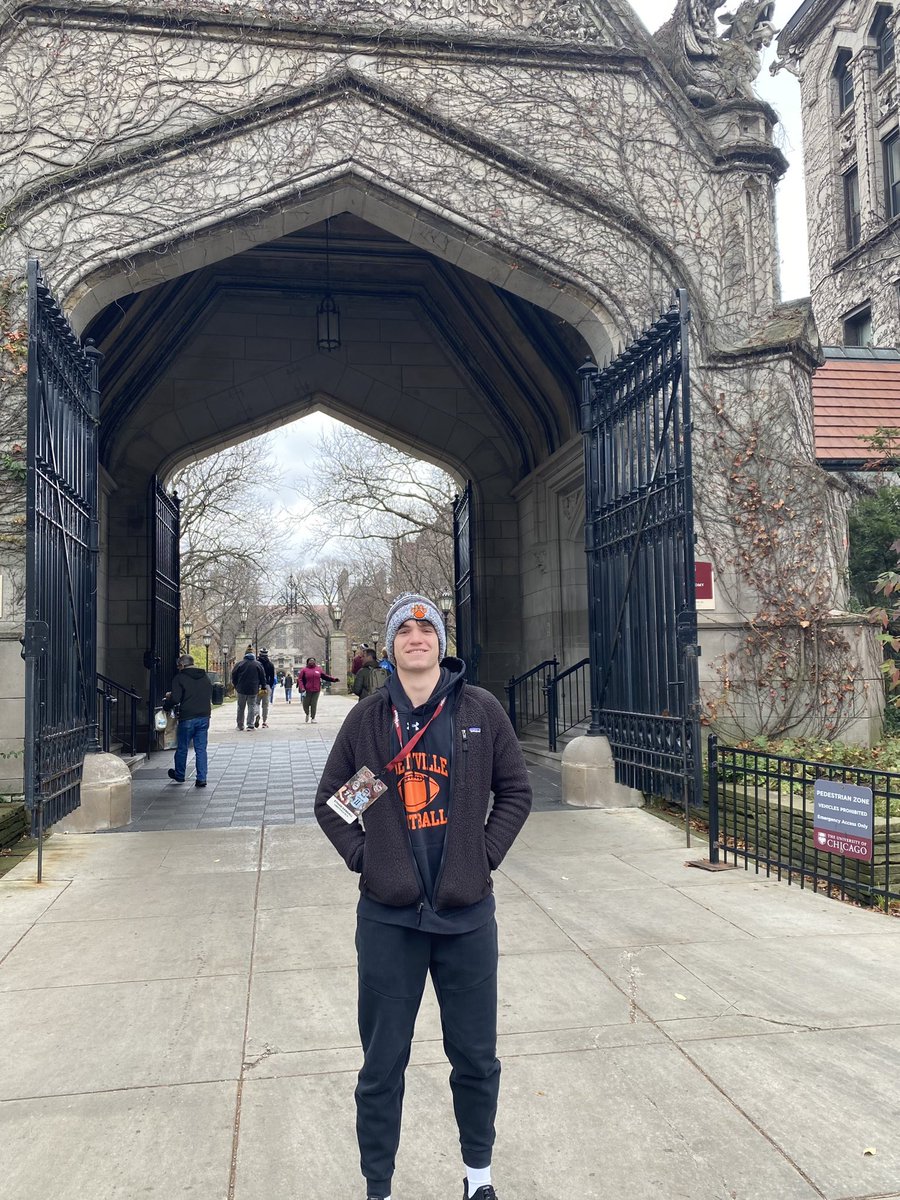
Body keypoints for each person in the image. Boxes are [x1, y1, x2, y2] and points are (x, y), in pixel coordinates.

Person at [315, 593, 532, 1200]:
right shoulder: (367, 722)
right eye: (404, 629)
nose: (416, 636)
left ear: (441, 641)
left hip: (465, 918)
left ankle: (479, 1178)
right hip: (389, 920)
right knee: (382, 1066)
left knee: (476, 1058)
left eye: (427, 627)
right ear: (390, 646)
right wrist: (371, 862)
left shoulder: (480, 712)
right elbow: (333, 803)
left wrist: (480, 858)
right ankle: (378, 1187)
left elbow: (515, 790)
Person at [165, 654, 213, 787]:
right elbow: (210, 693)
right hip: (204, 715)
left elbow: (176, 699)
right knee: (201, 748)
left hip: (187, 717)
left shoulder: (179, 678)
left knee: (182, 747)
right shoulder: (204, 676)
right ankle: (202, 778)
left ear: (181, 665)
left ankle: (180, 775)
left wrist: (167, 703)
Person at [231, 647, 267, 731]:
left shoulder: (239, 664)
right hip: (253, 689)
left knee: (240, 707)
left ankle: (240, 725)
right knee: (251, 706)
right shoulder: (258, 664)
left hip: (241, 689)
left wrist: (236, 685)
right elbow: (262, 676)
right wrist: (263, 686)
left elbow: (233, 676)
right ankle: (250, 725)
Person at [299, 656, 339, 723]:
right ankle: (307, 713)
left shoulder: (318, 669)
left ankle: (313, 718)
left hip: (316, 690)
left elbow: (325, 676)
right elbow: (300, 680)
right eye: (310, 660)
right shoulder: (304, 670)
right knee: (305, 704)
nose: (312, 662)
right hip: (307, 690)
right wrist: (302, 687)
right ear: (307, 662)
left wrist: (333, 680)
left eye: (313, 660)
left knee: (313, 704)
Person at [257, 647, 276, 728]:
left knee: (256, 703)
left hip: (257, 686)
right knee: (265, 705)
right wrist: (270, 686)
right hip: (267, 686)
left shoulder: (256, 663)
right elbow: (272, 677)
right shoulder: (270, 664)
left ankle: (257, 715)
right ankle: (264, 722)